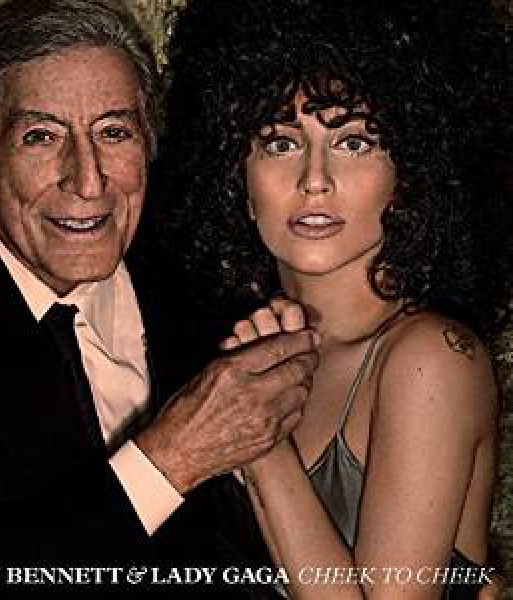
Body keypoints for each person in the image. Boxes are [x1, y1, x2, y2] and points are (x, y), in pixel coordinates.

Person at [0, 1, 320, 598]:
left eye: (114, 132)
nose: (88, 180)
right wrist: (172, 457)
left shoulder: (208, 268)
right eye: (41, 137)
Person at [145, 0, 512, 598]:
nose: (314, 179)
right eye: (280, 143)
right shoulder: (229, 343)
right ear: (237, 176)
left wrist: (259, 442)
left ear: (411, 175)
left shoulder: (430, 360)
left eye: (354, 143)